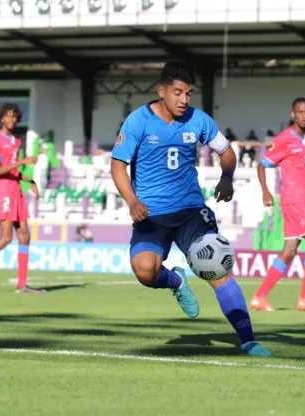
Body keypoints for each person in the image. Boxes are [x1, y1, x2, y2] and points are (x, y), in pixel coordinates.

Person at [110, 60, 270, 357]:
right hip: (151, 214)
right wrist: (132, 201)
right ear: (162, 90)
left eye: (188, 93)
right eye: (177, 92)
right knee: (145, 272)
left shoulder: (200, 120)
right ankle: (176, 280)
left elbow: (227, 151)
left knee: (217, 271)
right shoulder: (137, 121)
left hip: (191, 211)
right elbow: (118, 165)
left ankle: (249, 340)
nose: (184, 100)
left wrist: (226, 177)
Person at [250, 97, 305, 312]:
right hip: (294, 199)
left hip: (303, 198)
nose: (304, 115)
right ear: (293, 114)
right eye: (300, 112)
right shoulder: (284, 139)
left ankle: (260, 297)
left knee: (289, 250)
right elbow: (262, 165)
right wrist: (265, 190)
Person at [0, 103, 43, 294]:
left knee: (24, 235)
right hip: (3, 192)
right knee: (6, 237)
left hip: (16, 190)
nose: (12, 119)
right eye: (8, 116)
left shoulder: (16, 141)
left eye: (15, 117)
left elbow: (14, 170)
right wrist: (22, 161)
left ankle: (22, 284)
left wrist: (29, 180)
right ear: (1, 118)